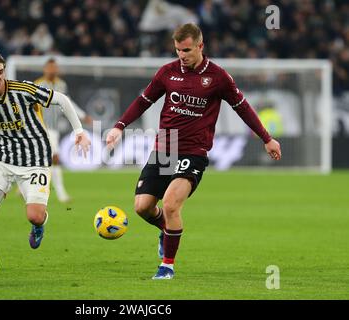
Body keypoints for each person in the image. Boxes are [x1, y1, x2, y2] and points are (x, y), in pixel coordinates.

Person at [106, 23, 281, 280]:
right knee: (142, 207)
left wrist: (267, 138)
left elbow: (242, 107)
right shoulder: (167, 72)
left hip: (193, 152)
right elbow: (144, 100)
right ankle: (165, 230)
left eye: (186, 50)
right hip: (164, 148)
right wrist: (119, 126)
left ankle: (167, 266)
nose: (182, 55)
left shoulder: (218, 77)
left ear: (200, 46)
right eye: (178, 50)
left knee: (171, 204)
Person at [0, 53, 90, 270]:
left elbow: (61, 100)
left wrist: (79, 130)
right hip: (1, 160)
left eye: (1, 72)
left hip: (35, 160)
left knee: (35, 216)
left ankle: (39, 225)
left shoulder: (23, 90)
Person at [32, 58, 93, 203]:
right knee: (55, 159)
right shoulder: (38, 84)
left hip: (54, 129)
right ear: (45, 69)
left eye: (55, 67)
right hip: (40, 128)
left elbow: (68, 103)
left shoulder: (61, 84)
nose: (52, 70)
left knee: (40, 160)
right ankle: (61, 194)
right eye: (50, 67)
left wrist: (83, 116)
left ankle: (25, 187)